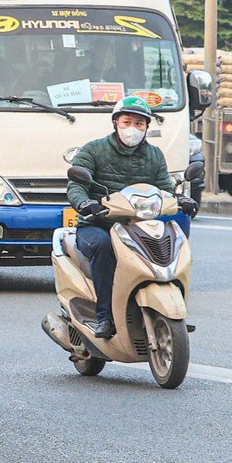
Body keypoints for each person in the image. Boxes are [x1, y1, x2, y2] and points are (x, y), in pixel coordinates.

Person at [65, 96, 196, 339]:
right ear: (115, 122)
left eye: (139, 123)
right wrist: (85, 203)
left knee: (173, 244)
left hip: (140, 224)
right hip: (99, 224)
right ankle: (104, 316)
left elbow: (165, 188)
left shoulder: (155, 155)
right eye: (127, 122)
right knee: (104, 249)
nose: (133, 129)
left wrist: (181, 200)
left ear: (147, 127)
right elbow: (75, 186)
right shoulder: (94, 150)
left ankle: (175, 309)